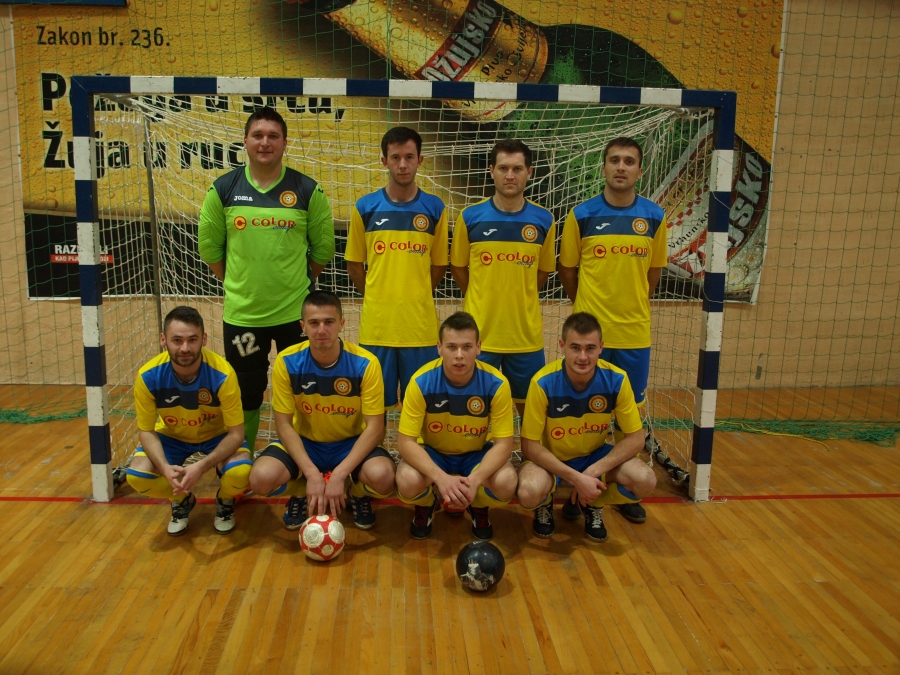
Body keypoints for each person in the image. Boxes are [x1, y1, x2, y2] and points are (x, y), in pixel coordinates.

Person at [198, 106, 335, 452]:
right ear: (245, 141)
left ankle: (308, 458)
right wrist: (240, 283)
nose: (265, 142)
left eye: (273, 136)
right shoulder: (223, 189)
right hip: (244, 316)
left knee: (303, 391)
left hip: (295, 316)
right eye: (258, 135)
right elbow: (209, 249)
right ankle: (241, 457)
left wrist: (295, 283)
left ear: (285, 143)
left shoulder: (307, 189)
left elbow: (323, 250)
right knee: (246, 393)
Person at [557, 136, 667, 525]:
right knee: (579, 415)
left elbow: (653, 273)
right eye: (614, 160)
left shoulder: (654, 216)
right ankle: (576, 484)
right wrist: (587, 312)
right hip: (589, 341)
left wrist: (629, 305)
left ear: (639, 170)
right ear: (603, 167)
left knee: (628, 418)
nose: (621, 167)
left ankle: (616, 491)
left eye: (629, 161)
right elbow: (567, 270)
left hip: (634, 335)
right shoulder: (581, 215)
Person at [248, 291, 395, 530]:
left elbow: (375, 428)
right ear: (303, 327)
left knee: (384, 477)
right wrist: (311, 474)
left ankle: (356, 493)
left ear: (342, 324)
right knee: (260, 479)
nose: (322, 330)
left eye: (329, 322)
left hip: (350, 443)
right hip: (306, 443)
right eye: (314, 323)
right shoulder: (287, 361)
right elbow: (283, 425)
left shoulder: (365, 363)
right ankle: (301, 493)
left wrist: (339, 475)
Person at [516, 312, 657, 542]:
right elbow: (529, 446)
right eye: (575, 348)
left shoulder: (617, 379)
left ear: (601, 347)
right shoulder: (542, 382)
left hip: (594, 456)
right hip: (551, 458)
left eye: (590, 348)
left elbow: (636, 439)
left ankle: (593, 502)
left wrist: (592, 472)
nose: (583, 356)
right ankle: (545, 503)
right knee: (528, 492)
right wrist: (576, 478)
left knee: (645, 480)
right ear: (562, 346)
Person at [450, 139, 555, 415]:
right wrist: (479, 295)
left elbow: (543, 271)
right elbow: (458, 268)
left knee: (531, 413)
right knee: (474, 412)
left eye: (517, 168)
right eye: (503, 168)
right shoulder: (470, 217)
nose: (510, 175)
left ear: (529, 172)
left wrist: (521, 293)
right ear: (491, 170)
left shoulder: (544, 219)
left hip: (525, 337)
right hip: (480, 336)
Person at [345, 126, 448, 409]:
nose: (403, 164)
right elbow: (354, 264)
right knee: (375, 408)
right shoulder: (365, 207)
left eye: (409, 157)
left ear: (420, 160)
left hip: (420, 330)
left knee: (423, 408)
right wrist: (376, 295)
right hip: (377, 328)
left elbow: (439, 265)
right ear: (384, 161)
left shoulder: (435, 208)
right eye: (395, 157)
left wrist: (417, 293)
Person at [126, 306, 252, 536]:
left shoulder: (223, 374)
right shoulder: (148, 376)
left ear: (204, 339)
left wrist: (202, 467)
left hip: (217, 434)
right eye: (177, 340)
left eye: (192, 340)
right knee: (137, 475)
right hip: (172, 435)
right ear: (163, 340)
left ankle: (225, 500)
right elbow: (146, 431)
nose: (185, 348)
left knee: (240, 471)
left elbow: (236, 433)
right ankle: (182, 499)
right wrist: (164, 468)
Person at [395, 312, 517, 541]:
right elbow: (405, 442)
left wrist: (475, 480)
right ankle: (427, 502)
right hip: (434, 453)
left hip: (475, 455)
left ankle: (477, 504)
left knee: (507, 482)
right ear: (439, 348)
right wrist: (441, 478)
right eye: (452, 347)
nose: (459, 355)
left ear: (478, 348)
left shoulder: (497, 384)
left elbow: (504, 444)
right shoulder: (421, 381)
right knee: (407, 481)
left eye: (467, 347)